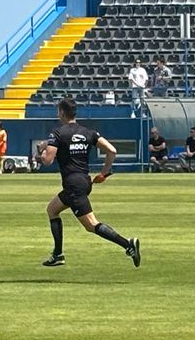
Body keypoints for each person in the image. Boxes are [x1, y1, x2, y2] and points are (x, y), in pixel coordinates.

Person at [37, 97, 140, 268]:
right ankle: (57, 254)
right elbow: (112, 150)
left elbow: (47, 160)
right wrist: (103, 173)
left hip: (73, 185)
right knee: (52, 209)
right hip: (85, 181)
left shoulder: (57, 134)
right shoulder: (88, 132)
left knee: (92, 225)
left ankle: (128, 245)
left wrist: (41, 151)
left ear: (61, 112)